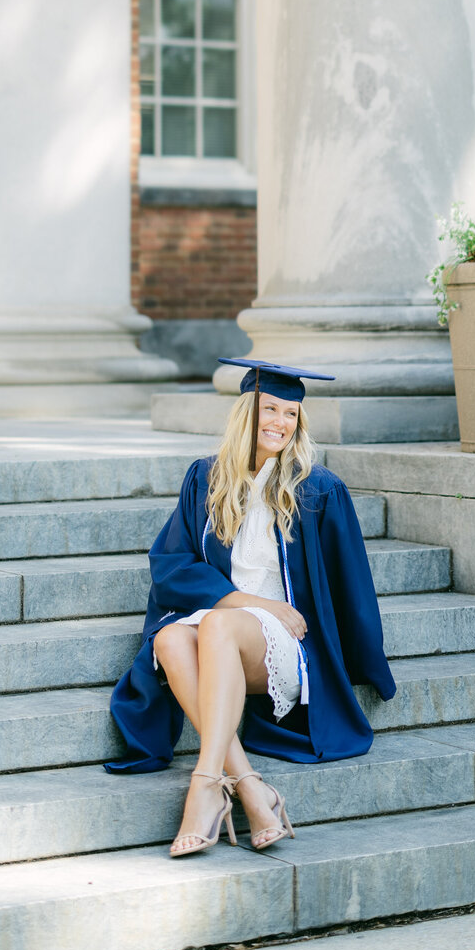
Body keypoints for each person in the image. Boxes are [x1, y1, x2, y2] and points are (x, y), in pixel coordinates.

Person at [105, 358, 396, 858]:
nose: (281, 423)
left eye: (291, 414)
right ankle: (247, 785)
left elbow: (352, 584)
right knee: (172, 637)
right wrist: (248, 601)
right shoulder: (207, 479)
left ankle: (203, 786)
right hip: (226, 617)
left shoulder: (318, 490)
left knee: (215, 625)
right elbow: (170, 563)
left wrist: (363, 664)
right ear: (247, 414)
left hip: (283, 640)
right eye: (271, 410)